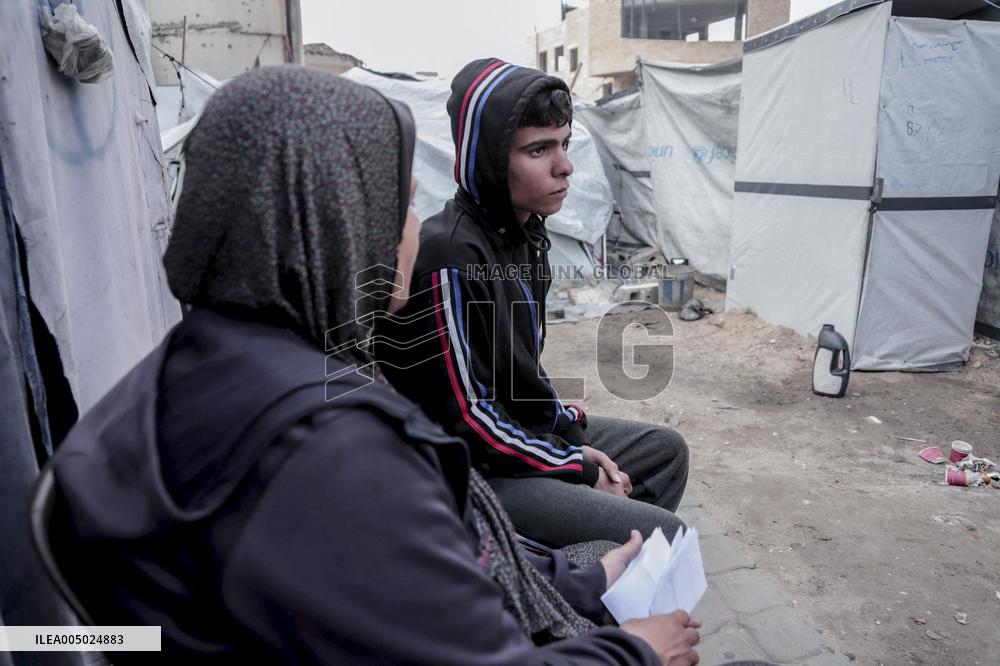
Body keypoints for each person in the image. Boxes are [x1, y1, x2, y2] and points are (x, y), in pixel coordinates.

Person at [46, 66, 704, 664]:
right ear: (333, 219)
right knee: (652, 548)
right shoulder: (330, 446)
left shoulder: (208, 360)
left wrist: (580, 571)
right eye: (399, 201)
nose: (413, 227)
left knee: (627, 516)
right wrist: (634, 654)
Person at [375, 58, 689, 548]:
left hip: (510, 438)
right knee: (663, 535)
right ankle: (570, 589)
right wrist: (577, 464)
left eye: (564, 143)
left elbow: (518, 377)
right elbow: (468, 421)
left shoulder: (526, 237)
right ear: (489, 158)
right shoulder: (449, 256)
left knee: (663, 451)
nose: (564, 165)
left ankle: (594, 562)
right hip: (463, 473)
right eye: (539, 149)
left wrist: (565, 425)